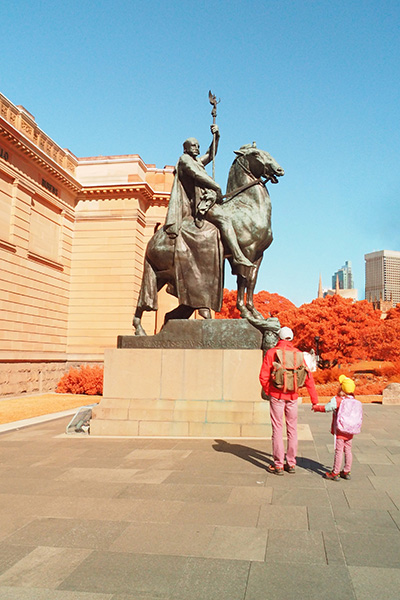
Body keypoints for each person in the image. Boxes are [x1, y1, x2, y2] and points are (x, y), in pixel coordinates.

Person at [164, 125, 255, 272]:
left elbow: (210, 154)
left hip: (208, 199)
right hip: (199, 203)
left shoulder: (197, 161)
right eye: (193, 145)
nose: (196, 148)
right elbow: (196, 174)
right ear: (186, 148)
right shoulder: (184, 160)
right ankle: (237, 256)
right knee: (224, 219)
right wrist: (216, 186)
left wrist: (216, 137)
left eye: (198, 146)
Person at [259, 326, 318, 475]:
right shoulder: (298, 354)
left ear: (279, 337)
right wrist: (314, 400)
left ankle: (278, 464)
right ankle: (291, 463)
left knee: (277, 429)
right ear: (291, 338)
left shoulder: (272, 353)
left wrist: (269, 391)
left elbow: (263, 376)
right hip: (293, 396)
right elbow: (309, 379)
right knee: (292, 429)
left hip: (277, 396)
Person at [312, 375, 356, 480]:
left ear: (341, 388)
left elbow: (327, 408)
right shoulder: (353, 399)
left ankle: (335, 472)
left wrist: (316, 407)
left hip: (340, 430)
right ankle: (346, 471)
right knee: (348, 450)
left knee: (339, 450)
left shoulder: (338, 400)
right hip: (350, 430)